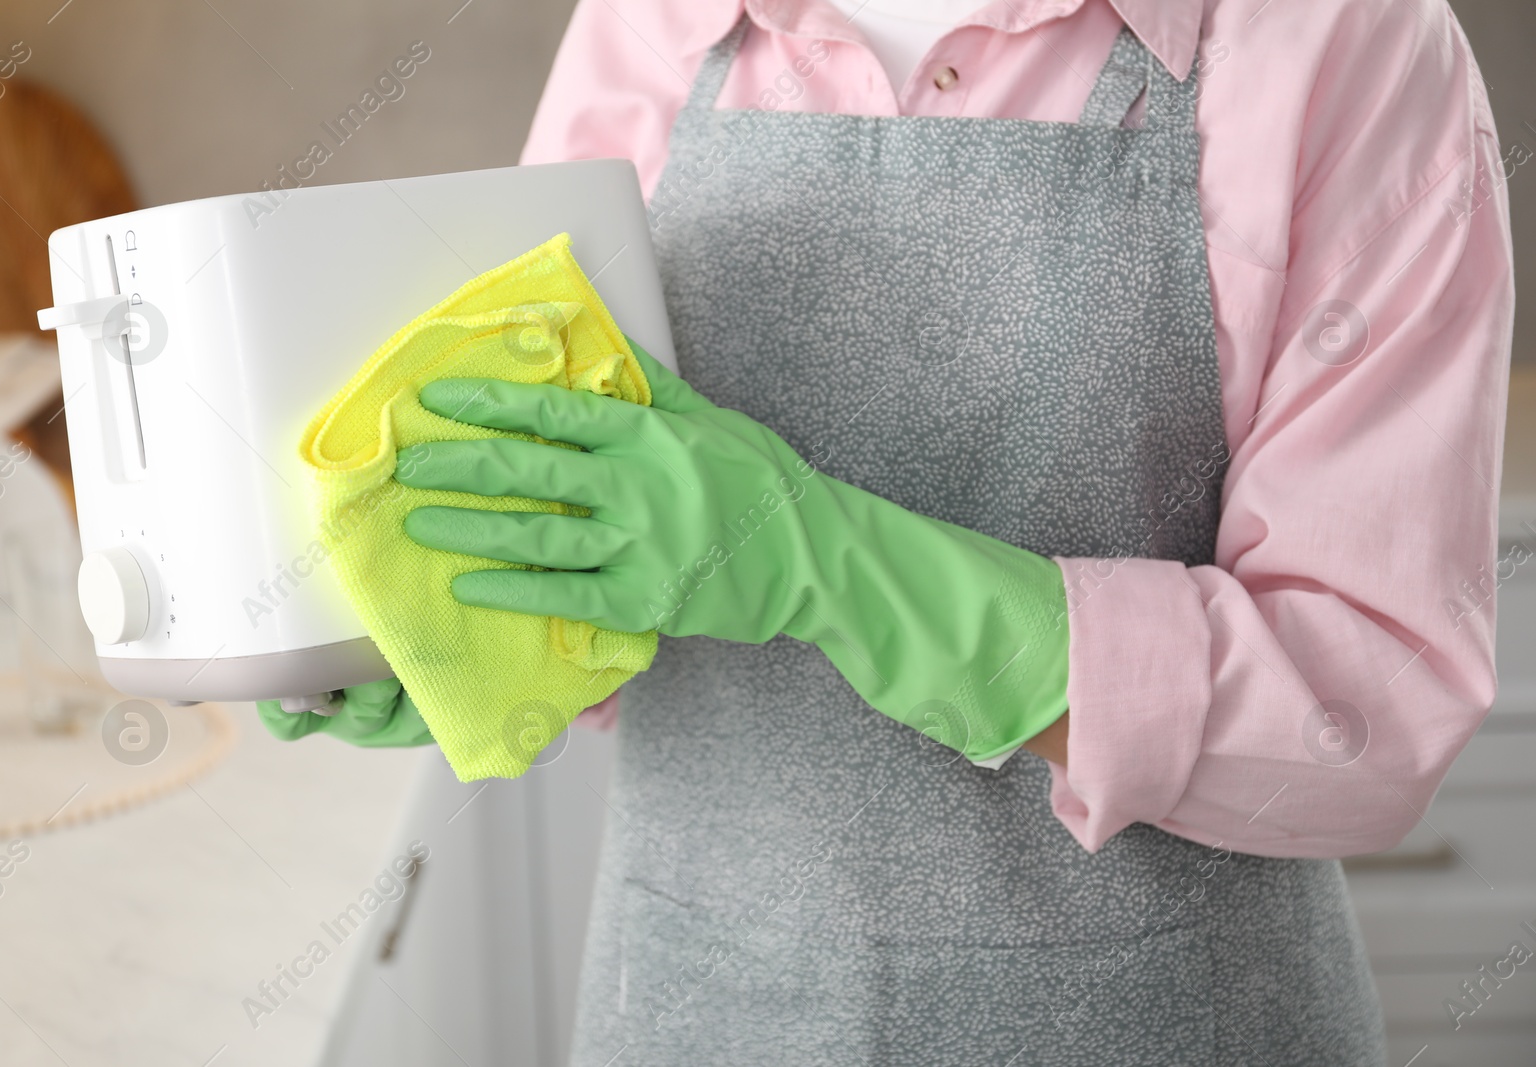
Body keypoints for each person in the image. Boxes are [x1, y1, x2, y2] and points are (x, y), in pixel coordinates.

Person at [262, 0, 1514, 1061]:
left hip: (1161, 1018)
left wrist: (828, 564)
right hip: (702, 1006)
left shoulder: (1344, 41)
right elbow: (594, 499)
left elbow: (1363, 705)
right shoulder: (652, 20)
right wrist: (471, 638)